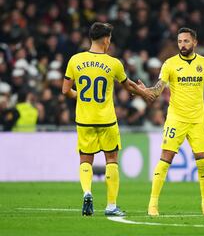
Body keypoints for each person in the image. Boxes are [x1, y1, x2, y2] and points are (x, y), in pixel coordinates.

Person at [62, 22, 154, 217]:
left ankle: (87, 192)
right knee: (111, 160)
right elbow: (128, 85)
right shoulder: (113, 63)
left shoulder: (75, 60)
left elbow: (65, 91)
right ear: (105, 39)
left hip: (84, 119)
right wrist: (144, 93)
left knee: (85, 159)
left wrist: (82, 97)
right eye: (110, 38)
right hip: (107, 120)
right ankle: (111, 206)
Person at [142, 27, 204, 216]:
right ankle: (153, 204)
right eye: (179, 41)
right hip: (176, 120)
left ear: (195, 42)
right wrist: (146, 91)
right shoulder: (169, 64)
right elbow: (158, 89)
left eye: (186, 41)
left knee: (202, 163)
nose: (182, 45)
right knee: (165, 160)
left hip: (197, 121)